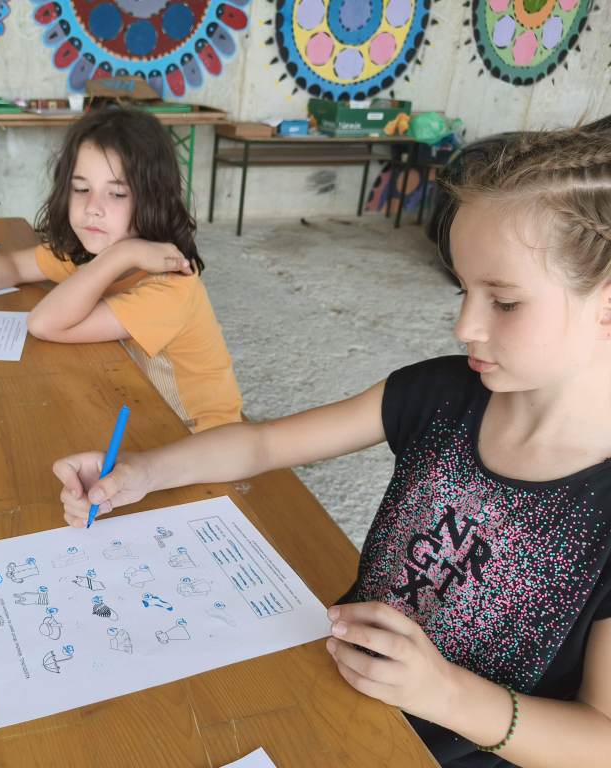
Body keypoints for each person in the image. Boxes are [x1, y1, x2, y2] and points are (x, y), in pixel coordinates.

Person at [52, 127, 611, 767]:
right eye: (463, 290)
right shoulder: (442, 393)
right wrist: (143, 471)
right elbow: (262, 445)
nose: (465, 326)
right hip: (329, 678)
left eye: (504, 302)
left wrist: (446, 695)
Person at [0, 107, 242, 432]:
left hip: (197, 434)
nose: (92, 207)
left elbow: (45, 324)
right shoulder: (86, 253)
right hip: (137, 403)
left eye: (117, 194)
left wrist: (122, 255)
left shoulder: (172, 289)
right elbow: (12, 265)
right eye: (81, 189)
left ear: (154, 198)